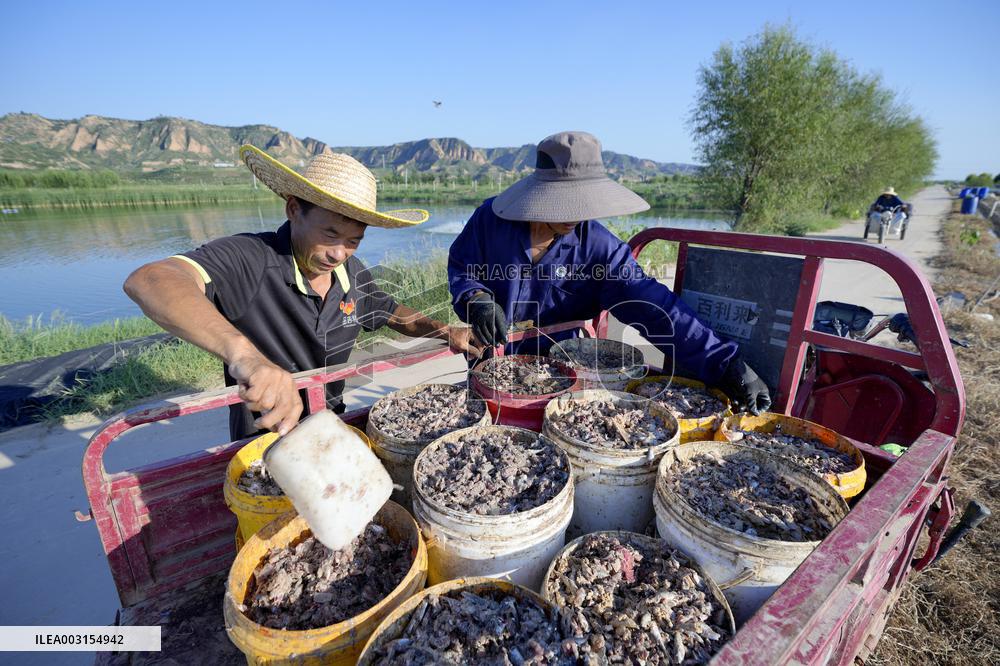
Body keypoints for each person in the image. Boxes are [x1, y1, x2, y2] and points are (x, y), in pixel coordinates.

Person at [125, 146, 482, 440]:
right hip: (267, 438)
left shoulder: (351, 274)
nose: (339, 252)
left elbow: (390, 312)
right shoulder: (249, 258)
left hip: (331, 427)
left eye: (353, 241)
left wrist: (446, 331)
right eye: (329, 234)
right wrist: (247, 358)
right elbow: (151, 279)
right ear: (294, 209)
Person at [447, 131, 771, 414]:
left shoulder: (600, 248)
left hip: (562, 372)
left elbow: (654, 306)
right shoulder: (491, 221)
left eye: (582, 203)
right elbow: (464, 268)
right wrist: (476, 299)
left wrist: (725, 363)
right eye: (564, 202)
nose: (575, 215)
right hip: (492, 367)